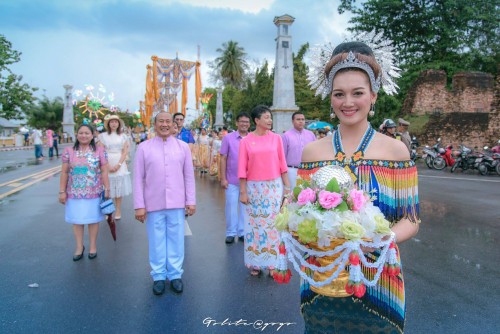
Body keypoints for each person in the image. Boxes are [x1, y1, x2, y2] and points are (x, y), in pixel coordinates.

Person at [298, 40, 420, 333]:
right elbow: (297, 211)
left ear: (374, 96)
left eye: (358, 93)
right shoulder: (312, 153)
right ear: (330, 97)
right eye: (339, 94)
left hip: (379, 283)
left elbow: (411, 219)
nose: (348, 102)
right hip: (321, 280)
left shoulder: (396, 151)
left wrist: (377, 239)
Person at [134, 112, 196, 295]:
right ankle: (159, 276)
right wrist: (139, 205)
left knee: (177, 239)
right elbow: (138, 178)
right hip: (153, 202)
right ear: (155, 124)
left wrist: (190, 201)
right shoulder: (144, 148)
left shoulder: (183, 147)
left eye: (168, 121)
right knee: (156, 240)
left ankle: (175, 275)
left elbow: (189, 177)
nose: (165, 124)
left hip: (177, 202)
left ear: (174, 124)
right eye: (161, 121)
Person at [238, 105, 291, 276]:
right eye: (266, 117)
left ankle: (272, 262)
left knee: (272, 224)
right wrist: (243, 191)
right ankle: (255, 262)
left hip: (273, 187)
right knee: (254, 225)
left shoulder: (276, 138)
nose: (270, 120)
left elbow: (283, 164)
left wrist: (287, 188)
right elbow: (242, 169)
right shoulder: (246, 141)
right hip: (254, 188)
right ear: (257, 120)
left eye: (270, 117)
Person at [58, 124, 110, 261]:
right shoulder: (69, 151)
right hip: (74, 192)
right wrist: (62, 191)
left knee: (93, 220)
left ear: (92, 135)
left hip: (94, 191)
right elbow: (64, 172)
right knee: (77, 221)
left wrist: (107, 188)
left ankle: (93, 246)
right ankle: (79, 246)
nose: (84, 135)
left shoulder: (100, 151)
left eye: (87, 133)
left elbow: (104, 170)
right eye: (81, 133)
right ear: (77, 134)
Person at [220, 112, 251, 244]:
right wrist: (223, 178)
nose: (244, 124)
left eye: (246, 122)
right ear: (237, 123)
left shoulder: (252, 138)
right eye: (242, 121)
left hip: (249, 180)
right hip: (232, 179)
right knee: (231, 207)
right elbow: (223, 158)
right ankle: (231, 233)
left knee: (245, 207)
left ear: (250, 124)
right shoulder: (228, 138)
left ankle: (243, 232)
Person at [98, 115, 132, 220]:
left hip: (119, 162)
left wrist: (119, 165)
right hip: (106, 162)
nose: (113, 124)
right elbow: (100, 151)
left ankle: (118, 210)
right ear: (108, 124)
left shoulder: (123, 136)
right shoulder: (102, 136)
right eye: (111, 122)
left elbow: (125, 151)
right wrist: (107, 165)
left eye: (115, 122)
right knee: (107, 187)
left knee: (118, 187)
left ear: (119, 124)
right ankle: (109, 210)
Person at [281, 111, 316, 189]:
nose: (301, 121)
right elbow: (282, 156)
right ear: (293, 121)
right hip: (292, 171)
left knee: (309, 195)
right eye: (298, 119)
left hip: (308, 170)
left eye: (302, 119)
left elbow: (315, 152)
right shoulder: (286, 136)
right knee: (293, 196)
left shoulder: (311, 135)